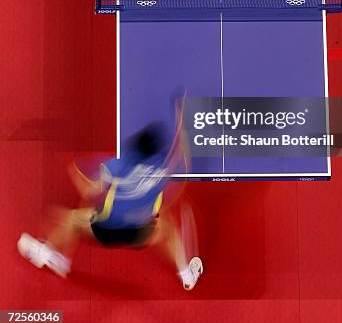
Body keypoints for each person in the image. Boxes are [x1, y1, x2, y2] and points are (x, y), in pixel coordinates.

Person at [17, 96, 203, 291]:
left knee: (69, 219)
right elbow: (182, 155)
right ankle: (186, 275)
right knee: (169, 229)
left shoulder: (117, 165)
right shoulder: (164, 168)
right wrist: (182, 122)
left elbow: (89, 191)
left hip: (106, 231)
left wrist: (74, 171)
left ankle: (51, 256)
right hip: (141, 233)